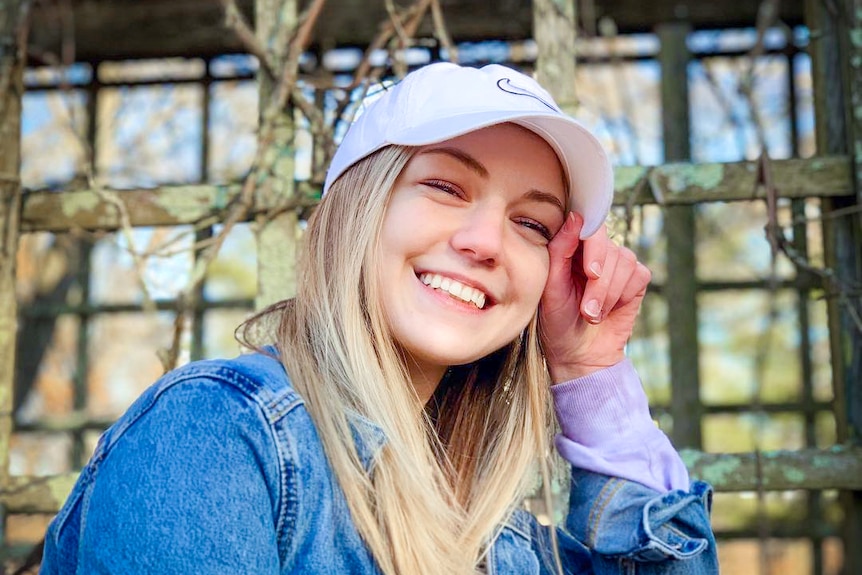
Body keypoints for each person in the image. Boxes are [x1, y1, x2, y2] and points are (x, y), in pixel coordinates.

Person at [40, 62, 717, 574]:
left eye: (532, 224)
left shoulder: (499, 538)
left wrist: (591, 370)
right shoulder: (218, 433)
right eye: (447, 186)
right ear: (357, 210)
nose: (485, 242)